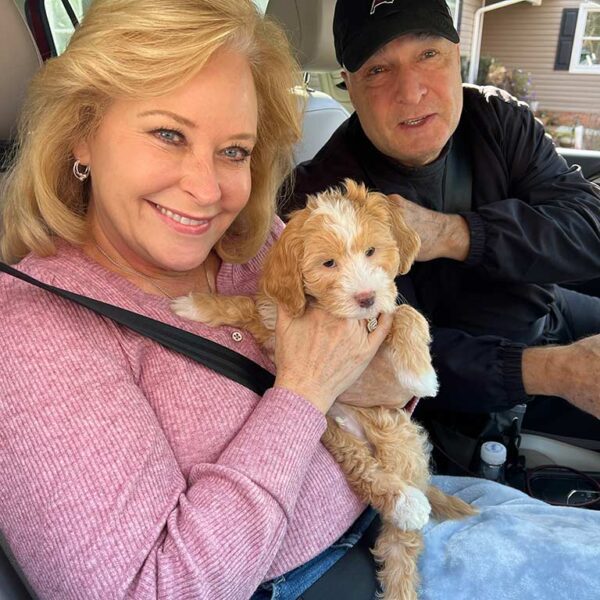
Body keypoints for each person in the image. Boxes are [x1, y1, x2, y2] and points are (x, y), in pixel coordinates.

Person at [1, 2, 600, 600]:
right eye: (168, 134)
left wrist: (382, 373)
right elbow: (148, 589)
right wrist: (306, 391)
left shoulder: (253, 236)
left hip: (403, 500)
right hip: (328, 576)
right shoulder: (35, 333)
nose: (209, 191)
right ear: (82, 133)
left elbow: (400, 382)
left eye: (234, 150)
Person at [283, 0, 600, 448]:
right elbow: (373, 360)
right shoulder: (323, 204)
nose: (410, 92)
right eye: (378, 70)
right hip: (467, 395)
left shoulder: (497, 119)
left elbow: (589, 227)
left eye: (428, 55)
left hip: (549, 312)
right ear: (348, 86)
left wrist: (455, 234)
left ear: (455, 56)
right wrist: (555, 371)